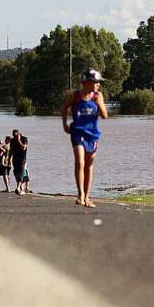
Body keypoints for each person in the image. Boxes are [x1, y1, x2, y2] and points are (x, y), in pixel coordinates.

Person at [61, 69, 108, 208]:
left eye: (99, 83)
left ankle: (87, 197)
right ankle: (80, 194)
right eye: (96, 82)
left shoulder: (98, 96)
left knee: (89, 165)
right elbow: (64, 108)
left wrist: (99, 103)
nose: (98, 85)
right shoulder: (76, 96)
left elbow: (105, 115)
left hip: (92, 134)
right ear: (86, 82)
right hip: (77, 132)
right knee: (79, 162)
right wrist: (64, 124)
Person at [9, 129, 28, 195]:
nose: (14, 137)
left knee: (21, 173)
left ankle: (18, 188)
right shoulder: (12, 140)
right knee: (16, 173)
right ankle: (20, 188)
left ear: (19, 134)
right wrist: (9, 159)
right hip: (15, 159)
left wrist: (19, 140)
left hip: (22, 159)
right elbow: (11, 150)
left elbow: (23, 148)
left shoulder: (24, 139)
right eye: (13, 135)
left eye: (15, 135)